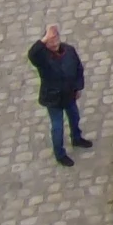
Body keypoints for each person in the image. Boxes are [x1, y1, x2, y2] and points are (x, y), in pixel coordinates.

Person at [28, 25, 91, 166]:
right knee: (57, 127)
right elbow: (32, 54)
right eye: (51, 41)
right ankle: (60, 153)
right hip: (53, 99)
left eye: (56, 39)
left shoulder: (69, 50)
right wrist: (44, 39)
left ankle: (76, 138)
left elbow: (78, 68)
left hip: (69, 94)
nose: (54, 43)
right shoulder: (42, 58)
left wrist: (78, 87)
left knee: (75, 117)